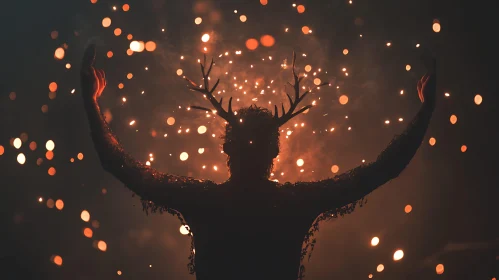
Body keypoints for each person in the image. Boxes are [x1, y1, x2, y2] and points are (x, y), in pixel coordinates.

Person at [81, 45, 436, 280]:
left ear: (227, 148)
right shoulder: (294, 203)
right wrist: (426, 110)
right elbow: (382, 169)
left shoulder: (204, 202)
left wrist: (91, 102)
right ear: (275, 151)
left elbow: (118, 164)